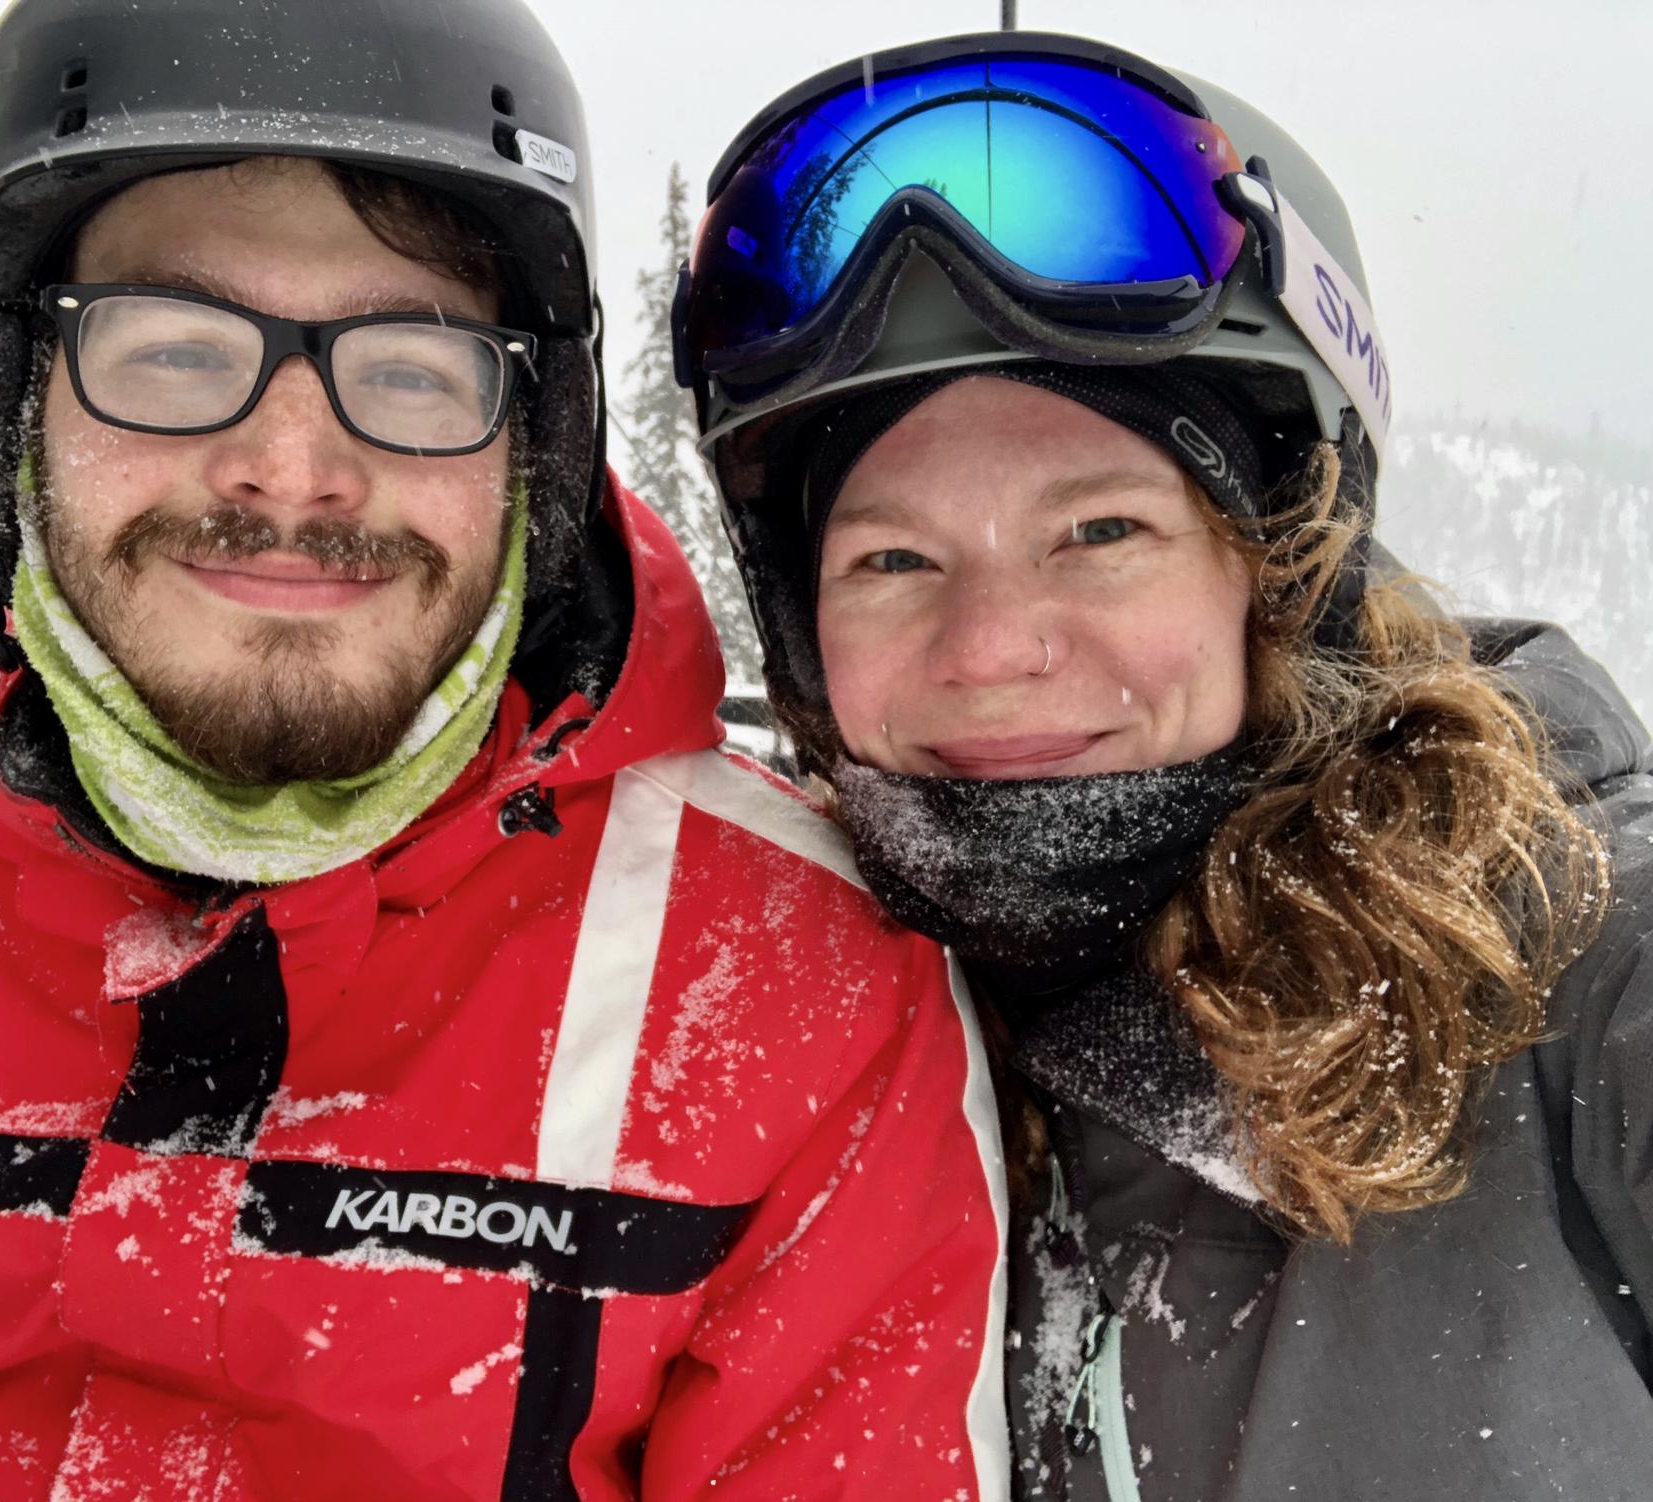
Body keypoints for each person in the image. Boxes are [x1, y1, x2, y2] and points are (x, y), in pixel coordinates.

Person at [0, 4, 1010, 1497]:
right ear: (14, 411)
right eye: (169, 351)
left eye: (414, 369)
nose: (293, 466)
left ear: (531, 451)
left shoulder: (795, 982)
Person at [675, 30, 1653, 1501]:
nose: (992, 644)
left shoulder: (1573, 963)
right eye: (891, 555)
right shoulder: (774, 1036)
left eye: (1101, 530)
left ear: (1281, 571)